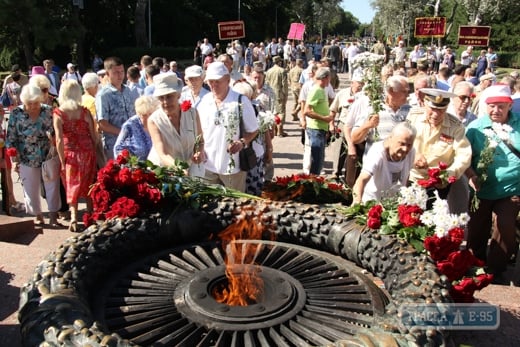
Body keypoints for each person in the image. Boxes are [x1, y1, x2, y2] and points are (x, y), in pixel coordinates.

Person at [465, 84, 520, 279]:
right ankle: (475, 264)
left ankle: (496, 269)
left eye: (501, 106)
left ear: (509, 106)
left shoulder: (519, 124)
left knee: (504, 224)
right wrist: (471, 175)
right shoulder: (475, 128)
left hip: (511, 189)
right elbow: (464, 157)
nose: (496, 110)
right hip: (481, 189)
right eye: (492, 106)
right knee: (477, 230)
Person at [196, 62, 258, 192]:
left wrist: (241, 142)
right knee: (210, 204)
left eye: (217, 81)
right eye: (211, 81)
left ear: (228, 80)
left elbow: (253, 130)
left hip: (232, 167)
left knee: (235, 204)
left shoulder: (240, 101)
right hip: (207, 165)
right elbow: (198, 129)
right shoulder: (204, 101)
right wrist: (198, 149)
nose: (213, 85)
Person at [5, 85, 61, 226]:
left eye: (36, 102)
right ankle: (38, 214)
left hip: (48, 154)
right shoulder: (16, 113)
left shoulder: (48, 111)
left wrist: (54, 139)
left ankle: (54, 215)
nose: (33, 106)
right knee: (30, 187)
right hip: (26, 156)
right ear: (24, 101)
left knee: (52, 185)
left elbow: (58, 131)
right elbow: (11, 137)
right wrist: (14, 159)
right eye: (29, 103)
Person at [407, 88, 472, 202]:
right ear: (424, 104)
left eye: (441, 110)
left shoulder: (455, 127)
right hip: (411, 178)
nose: (436, 114)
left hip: (438, 183)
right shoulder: (413, 117)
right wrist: (413, 155)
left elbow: (464, 156)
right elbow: (403, 141)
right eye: (432, 109)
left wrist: (447, 175)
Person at [53, 80, 97, 232]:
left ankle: (73, 217)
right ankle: (90, 214)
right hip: (87, 152)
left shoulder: (58, 113)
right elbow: (94, 135)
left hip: (70, 153)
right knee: (89, 183)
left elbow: (58, 139)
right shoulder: (85, 112)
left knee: (72, 185)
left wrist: (61, 159)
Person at [147, 74, 205, 176]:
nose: (165, 102)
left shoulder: (192, 113)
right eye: (161, 98)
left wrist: (198, 152)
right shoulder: (154, 120)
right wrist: (178, 168)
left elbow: (200, 141)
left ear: (178, 95)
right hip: (165, 172)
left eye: (169, 96)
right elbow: (162, 153)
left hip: (190, 167)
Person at [352, 122, 416, 203]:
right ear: (391, 138)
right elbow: (361, 180)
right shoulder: (377, 152)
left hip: (395, 204)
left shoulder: (411, 152)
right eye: (402, 143)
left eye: (409, 145)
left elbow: (406, 176)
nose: (405, 149)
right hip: (373, 202)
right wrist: (357, 202)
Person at [95, 56, 139, 161]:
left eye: (122, 71)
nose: (120, 75)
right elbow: (102, 124)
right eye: (116, 72)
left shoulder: (128, 90)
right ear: (107, 74)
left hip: (133, 143)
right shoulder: (103, 95)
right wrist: (123, 132)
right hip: (115, 145)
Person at [329, 71, 364, 181]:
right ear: (352, 83)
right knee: (339, 151)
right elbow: (333, 110)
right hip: (343, 125)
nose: (360, 86)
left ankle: (352, 177)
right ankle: (336, 174)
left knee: (357, 153)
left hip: (357, 127)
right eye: (358, 83)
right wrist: (331, 124)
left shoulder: (364, 96)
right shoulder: (342, 94)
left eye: (362, 83)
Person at [303, 67, 335, 175]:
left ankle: (314, 182)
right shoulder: (316, 90)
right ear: (325, 78)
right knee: (316, 160)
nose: (330, 81)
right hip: (315, 129)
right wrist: (324, 118)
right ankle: (312, 183)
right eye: (329, 78)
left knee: (319, 159)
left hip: (320, 128)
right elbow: (307, 111)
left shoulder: (321, 90)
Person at [114, 96, 158, 161]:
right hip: (137, 167)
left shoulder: (158, 122)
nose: (149, 117)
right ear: (138, 114)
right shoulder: (129, 126)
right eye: (144, 115)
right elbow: (118, 149)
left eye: (151, 113)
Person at [265, 56, 288, 137]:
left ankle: (274, 130)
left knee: (273, 112)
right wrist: (286, 95)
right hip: (279, 94)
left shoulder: (268, 71)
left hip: (271, 94)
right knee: (281, 112)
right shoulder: (282, 71)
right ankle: (280, 131)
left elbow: (266, 83)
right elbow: (284, 85)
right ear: (279, 62)